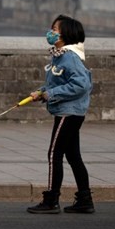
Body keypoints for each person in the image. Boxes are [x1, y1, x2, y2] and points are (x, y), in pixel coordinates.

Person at [26, 14, 94, 214]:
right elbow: (57, 82)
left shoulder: (70, 56)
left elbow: (81, 85)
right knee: (73, 156)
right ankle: (84, 200)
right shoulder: (60, 55)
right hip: (69, 111)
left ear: (66, 34)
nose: (51, 32)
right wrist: (41, 92)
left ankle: (51, 200)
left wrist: (51, 94)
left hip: (69, 112)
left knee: (54, 154)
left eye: (55, 29)